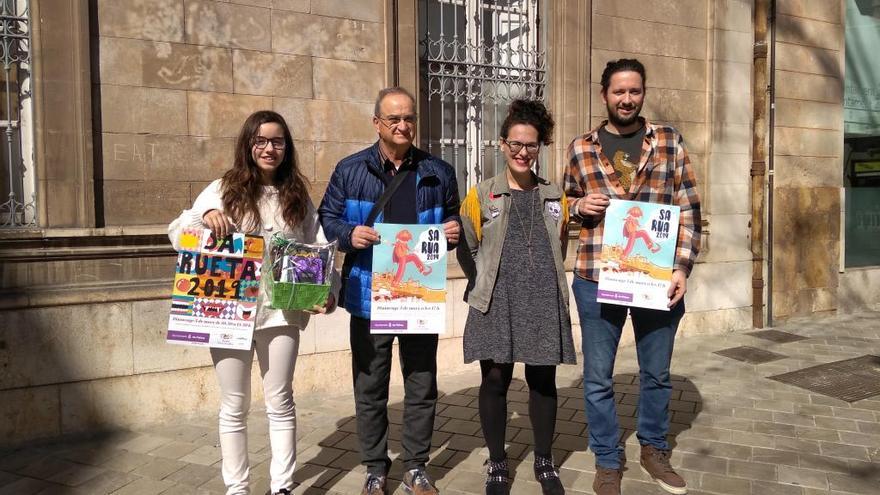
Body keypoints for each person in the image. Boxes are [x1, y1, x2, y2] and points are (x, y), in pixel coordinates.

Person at [168, 110, 338, 495]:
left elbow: (317, 245)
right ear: (247, 144)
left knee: (280, 400)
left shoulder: (296, 194)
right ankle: (238, 488)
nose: (269, 148)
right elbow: (180, 234)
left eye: (277, 141)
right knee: (234, 404)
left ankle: (282, 486)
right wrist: (205, 214)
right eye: (260, 140)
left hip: (281, 311)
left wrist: (328, 290)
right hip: (228, 311)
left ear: (286, 147)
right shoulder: (222, 188)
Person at [564, 59, 701, 495]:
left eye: (635, 91)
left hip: (655, 275)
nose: (627, 99)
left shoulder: (668, 142)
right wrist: (576, 208)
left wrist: (682, 266)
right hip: (596, 277)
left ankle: (654, 448)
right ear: (604, 94)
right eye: (619, 91)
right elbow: (561, 204)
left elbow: (689, 207)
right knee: (598, 377)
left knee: (657, 373)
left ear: (643, 94)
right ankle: (607, 459)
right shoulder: (580, 148)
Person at [318, 86, 461, 495]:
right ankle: (375, 469)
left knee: (421, 384)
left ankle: (415, 466)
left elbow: (452, 219)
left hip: (418, 297)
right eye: (394, 119)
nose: (403, 126)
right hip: (369, 298)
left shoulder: (438, 170)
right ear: (377, 123)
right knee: (370, 387)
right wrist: (348, 233)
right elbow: (326, 218)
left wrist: (453, 231)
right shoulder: (350, 169)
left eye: (409, 118)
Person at [457, 100, 575, 495]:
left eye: (532, 145)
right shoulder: (481, 195)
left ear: (540, 147)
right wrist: (484, 279)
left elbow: (560, 243)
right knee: (494, 380)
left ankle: (544, 460)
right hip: (496, 300)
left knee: (543, 379)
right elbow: (467, 244)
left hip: (542, 298)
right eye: (515, 144)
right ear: (502, 144)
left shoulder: (555, 196)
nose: (523, 152)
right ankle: (498, 462)